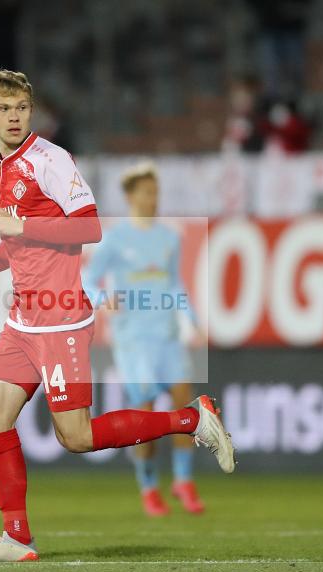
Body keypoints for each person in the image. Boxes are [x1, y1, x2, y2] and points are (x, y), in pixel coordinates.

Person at [0, 69, 235, 563]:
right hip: (23, 319)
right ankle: (16, 538)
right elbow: (18, 244)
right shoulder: (0, 169)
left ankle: (192, 419)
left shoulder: (50, 160)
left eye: (21, 108)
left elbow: (90, 229)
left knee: (76, 437)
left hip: (60, 320)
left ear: (31, 112)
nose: (13, 117)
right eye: (3, 109)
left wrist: (21, 222)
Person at [82, 162, 205, 517]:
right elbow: (88, 280)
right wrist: (104, 300)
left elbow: (175, 283)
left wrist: (193, 321)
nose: (154, 199)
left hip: (166, 334)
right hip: (134, 340)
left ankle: (183, 480)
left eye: (157, 192)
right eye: (148, 192)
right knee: (147, 415)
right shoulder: (115, 240)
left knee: (185, 403)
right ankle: (149, 487)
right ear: (131, 196)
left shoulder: (169, 238)